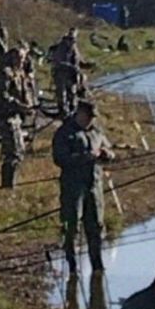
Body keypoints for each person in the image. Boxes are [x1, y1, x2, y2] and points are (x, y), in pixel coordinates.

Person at [51, 99, 114, 273]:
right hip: (73, 187)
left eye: (93, 117)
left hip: (94, 186)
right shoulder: (65, 132)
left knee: (95, 226)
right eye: (88, 116)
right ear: (79, 113)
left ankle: (97, 266)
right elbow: (59, 158)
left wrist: (106, 154)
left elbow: (110, 149)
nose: (90, 120)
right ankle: (72, 265)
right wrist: (85, 157)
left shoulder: (96, 131)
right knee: (72, 225)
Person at [0, 46, 33, 188]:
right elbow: (3, 96)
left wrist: (30, 106)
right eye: (19, 58)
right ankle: (8, 186)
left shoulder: (20, 73)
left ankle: (9, 184)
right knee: (15, 150)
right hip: (6, 116)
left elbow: (25, 92)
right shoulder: (5, 73)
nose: (22, 61)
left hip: (16, 116)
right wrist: (19, 105)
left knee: (16, 150)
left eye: (23, 58)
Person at [51, 28, 82, 117]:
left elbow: (78, 61)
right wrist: (71, 67)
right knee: (62, 94)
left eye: (74, 40)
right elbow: (58, 62)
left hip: (71, 75)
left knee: (72, 92)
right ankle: (63, 112)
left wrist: (88, 64)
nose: (73, 42)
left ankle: (73, 110)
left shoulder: (74, 48)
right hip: (61, 74)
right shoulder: (61, 48)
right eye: (71, 39)